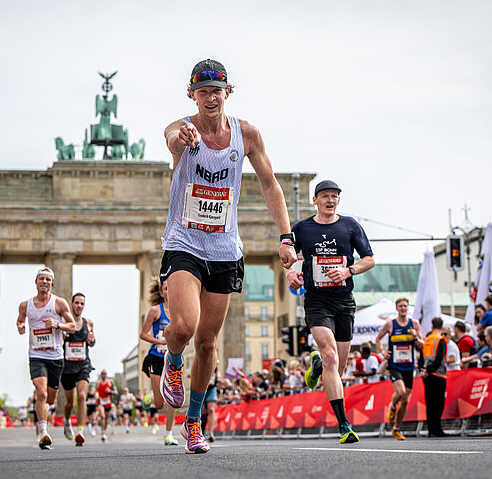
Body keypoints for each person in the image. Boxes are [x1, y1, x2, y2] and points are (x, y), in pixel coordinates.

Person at [159, 58, 297, 454]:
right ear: (192, 95)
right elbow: (170, 140)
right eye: (202, 91)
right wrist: (179, 139)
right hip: (184, 241)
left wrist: (286, 236)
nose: (210, 97)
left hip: (223, 249)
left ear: (227, 92)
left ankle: (194, 422)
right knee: (183, 327)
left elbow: (270, 185)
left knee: (207, 343)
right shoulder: (181, 128)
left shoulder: (247, 134)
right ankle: (172, 359)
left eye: (216, 90)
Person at [288, 179, 375, 444]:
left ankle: (316, 368)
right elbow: (288, 256)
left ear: (338, 200)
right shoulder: (302, 228)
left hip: (344, 301)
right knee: (330, 356)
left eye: (334, 196)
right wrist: (290, 272)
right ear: (315, 200)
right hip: (317, 301)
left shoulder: (349, 225)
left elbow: (369, 259)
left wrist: (349, 270)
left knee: (337, 369)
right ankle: (344, 425)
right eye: (325, 196)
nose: (330, 200)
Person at [16, 267, 76, 449]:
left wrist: (57, 325)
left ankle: (44, 423)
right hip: (36, 354)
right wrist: (20, 326)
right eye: (41, 279)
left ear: (52, 283)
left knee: (50, 400)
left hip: (55, 356)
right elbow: (20, 320)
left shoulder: (59, 303)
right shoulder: (26, 305)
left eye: (48, 280)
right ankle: (43, 432)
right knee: (40, 393)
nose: (44, 282)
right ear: (36, 282)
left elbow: (72, 326)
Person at [374, 297, 423, 441]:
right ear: (396, 308)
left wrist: (415, 337)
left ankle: (396, 429)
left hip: (408, 365)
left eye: (405, 306)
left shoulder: (414, 324)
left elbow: (422, 344)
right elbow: (378, 339)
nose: (403, 308)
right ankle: (393, 404)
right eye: (401, 306)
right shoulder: (390, 324)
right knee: (400, 392)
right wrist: (383, 352)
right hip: (395, 364)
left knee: (406, 399)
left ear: (408, 308)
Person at [139, 276, 179, 446]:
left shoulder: (181, 312)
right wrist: (160, 341)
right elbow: (143, 334)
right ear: (162, 292)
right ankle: (151, 396)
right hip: (156, 357)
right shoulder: (156, 311)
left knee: (174, 397)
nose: (170, 291)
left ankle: (168, 434)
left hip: (172, 358)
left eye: (173, 287)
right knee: (159, 403)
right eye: (167, 288)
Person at [60, 292, 95, 446]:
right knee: (69, 404)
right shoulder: (63, 322)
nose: (79, 306)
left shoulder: (89, 323)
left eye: (82, 303)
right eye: (77, 303)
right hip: (67, 366)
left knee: (81, 396)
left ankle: (80, 431)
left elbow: (92, 342)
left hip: (83, 365)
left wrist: (92, 341)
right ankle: (67, 420)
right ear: (71, 304)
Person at [419, 317, 448, 437]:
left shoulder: (426, 340)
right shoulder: (441, 340)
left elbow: (421, 358)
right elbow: (439, 359)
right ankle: (438, 429)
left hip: (426, 376)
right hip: (438, 374)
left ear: (431, 327)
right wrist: (429, 370)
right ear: (442, 328)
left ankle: (431, 429)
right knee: (439, 403)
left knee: (429, 403)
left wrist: (423, 370)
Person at [96, 370, 116, 442]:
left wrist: (110, 391)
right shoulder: (98, 383)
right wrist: (97, 395)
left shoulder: (110, 382)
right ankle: (103, 432)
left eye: (105, 374)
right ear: (101, 375)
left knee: (106, 418)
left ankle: (104, 430)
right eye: (102, 374)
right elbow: (96, 392)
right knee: (102, 416)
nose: (104, 375)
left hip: (108, 402)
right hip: (101, 402)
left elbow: (115, 392)